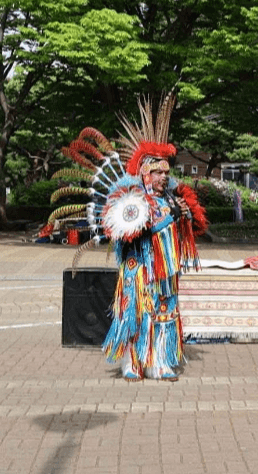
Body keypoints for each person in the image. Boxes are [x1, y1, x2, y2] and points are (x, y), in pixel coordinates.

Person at [95, 95, 208, 381]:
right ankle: (133, 363)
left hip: (166, 271)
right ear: (145, 172)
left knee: (165, 315)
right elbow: (129, 230)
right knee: (137, 314)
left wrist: (185, 217)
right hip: (140, 270)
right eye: (157, 172)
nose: (163, 177)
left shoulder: (171, 198)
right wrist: (168, 216)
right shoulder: (131, 198)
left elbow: (193, 230)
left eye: (166, 172)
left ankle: (160, 362)